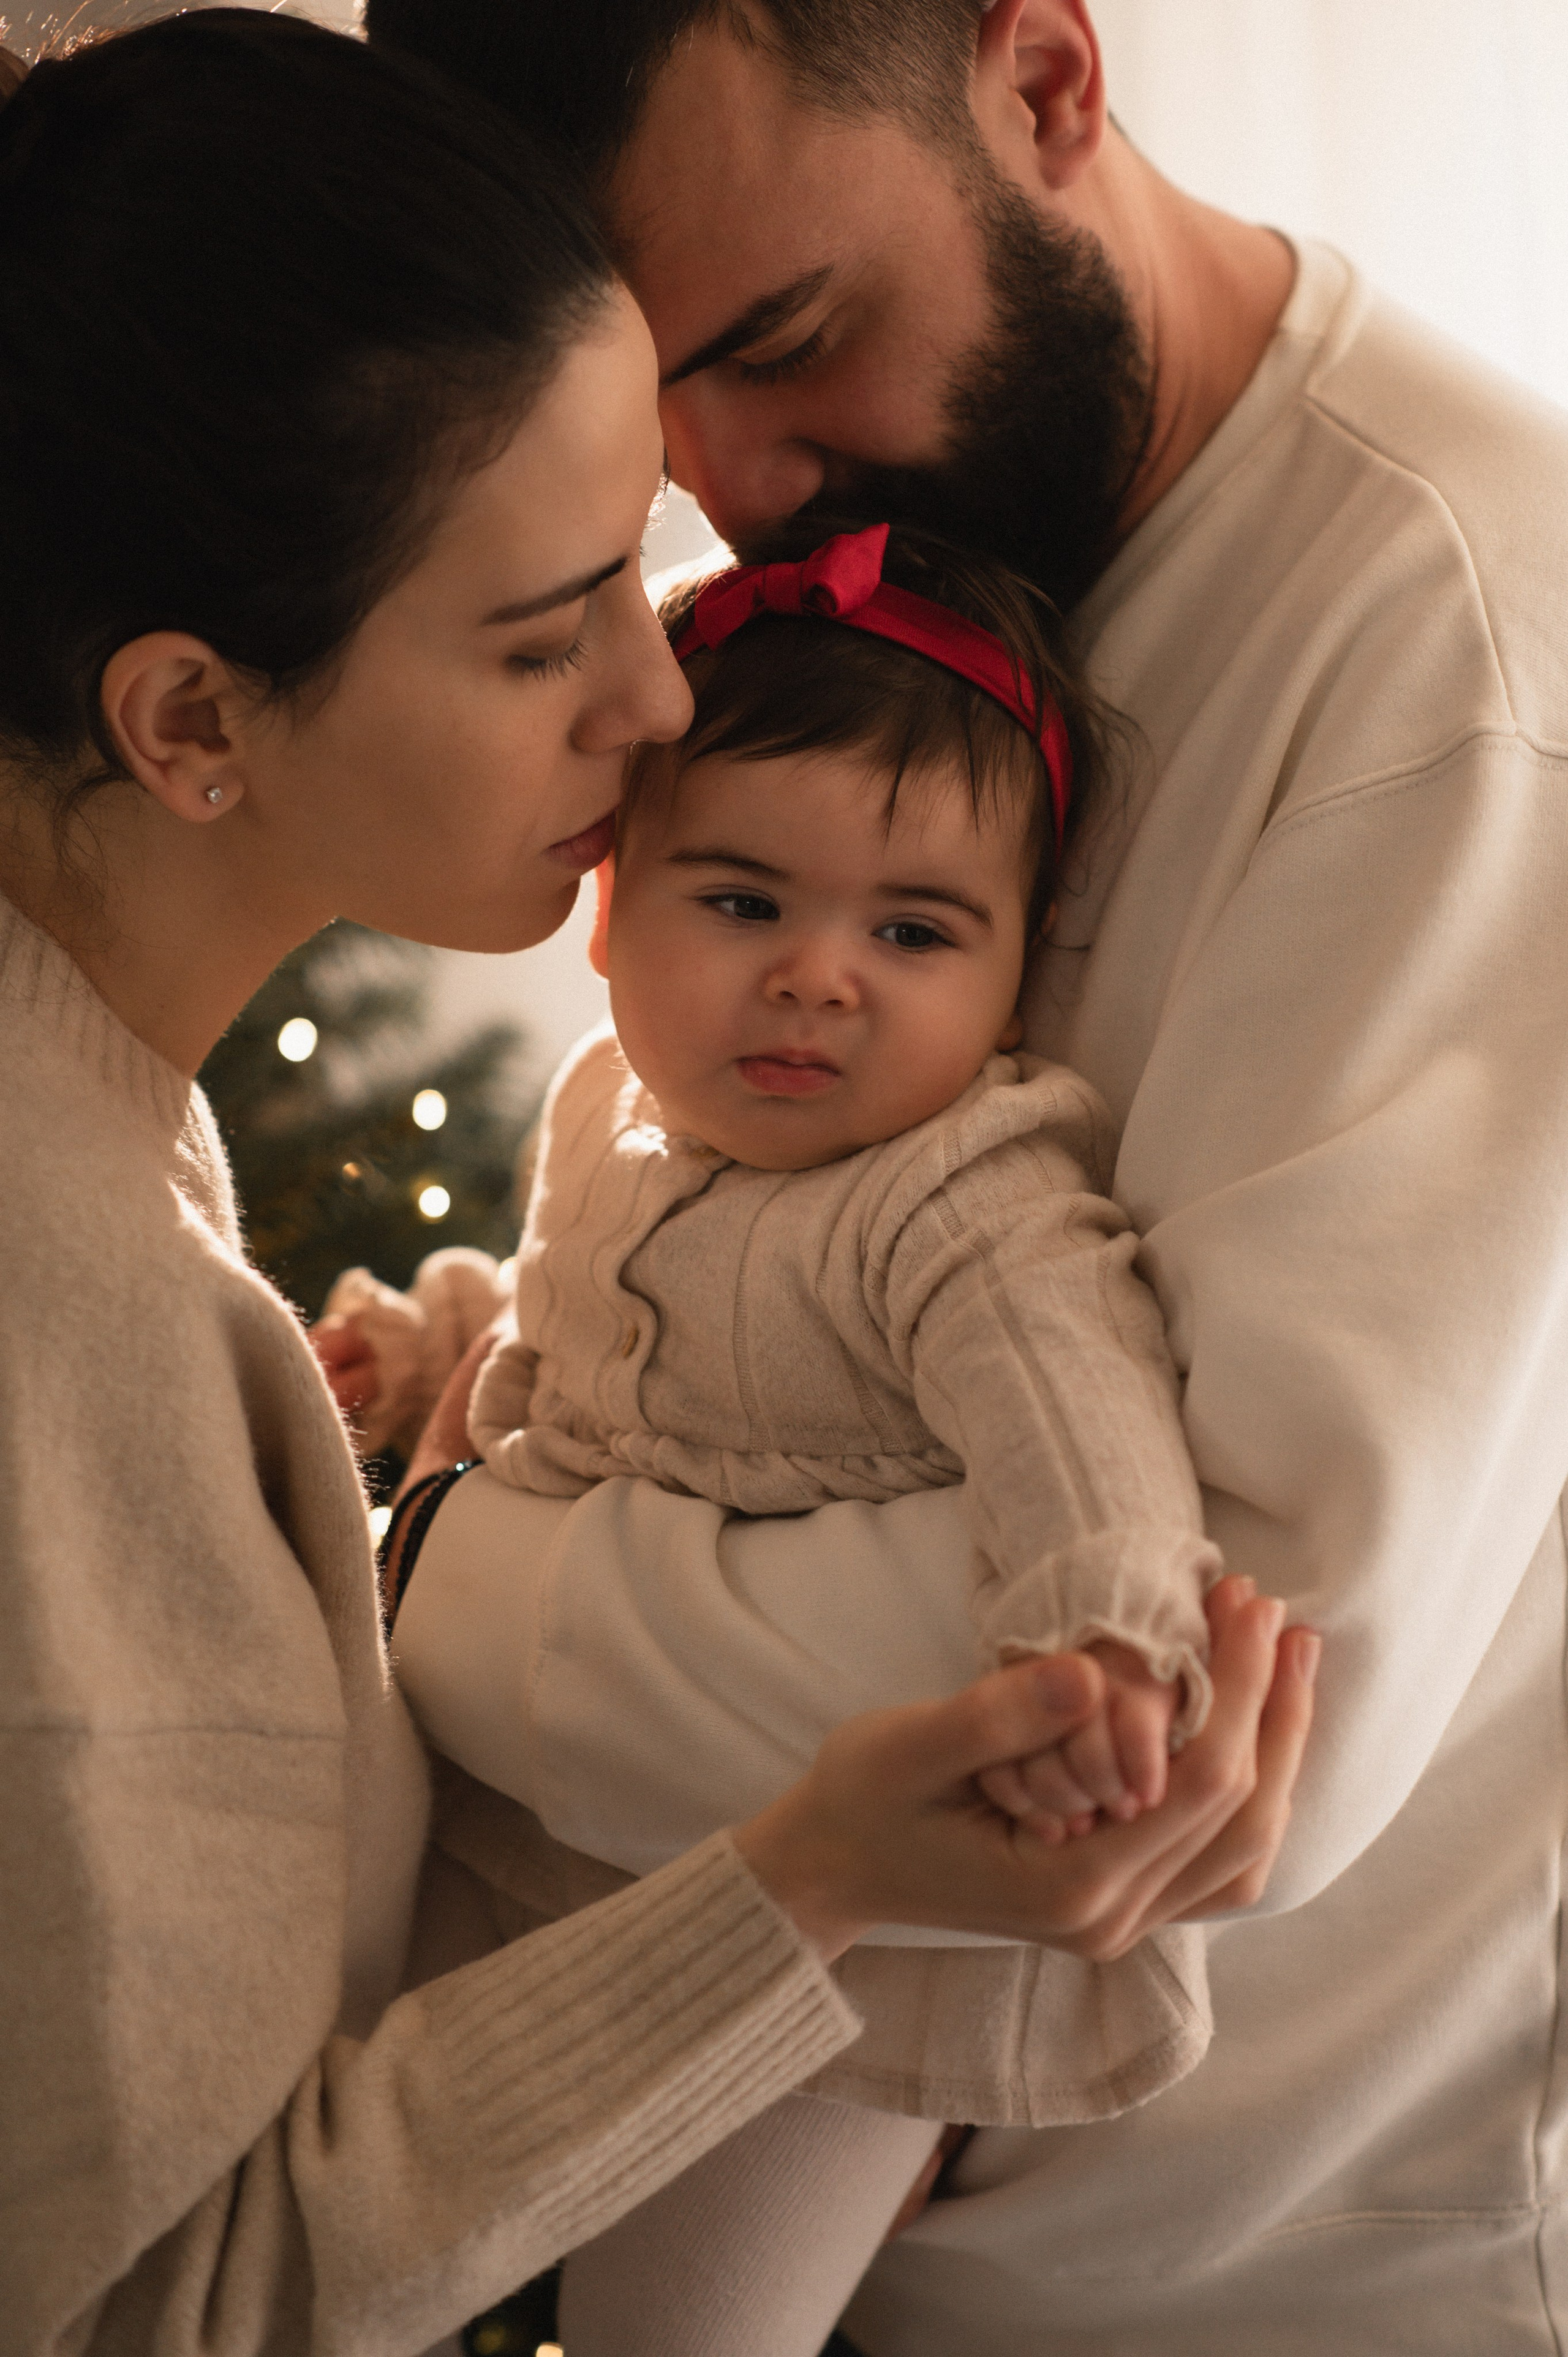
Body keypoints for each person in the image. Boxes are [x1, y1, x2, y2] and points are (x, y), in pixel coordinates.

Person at [0, 15, 1313, 2355]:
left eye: (646, 570)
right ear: (189, 723)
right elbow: (166, 2304)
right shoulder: (57, 1303)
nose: (666, 706)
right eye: (545, 632)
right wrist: (805, 1880)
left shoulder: (113, 1116)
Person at [363, 0, 1568, 2348]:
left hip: (1258, 2291)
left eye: (790, 342)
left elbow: (1208, 1723)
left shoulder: (1458, 647)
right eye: (656, 414)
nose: (731, 486)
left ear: (1041, 80)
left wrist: (448, 1576)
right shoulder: (955, 550)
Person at [460, 515, 1219, 2351]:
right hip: (563, 1850)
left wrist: (1104, 1652)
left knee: (677, 2332)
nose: (819, 976)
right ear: (611, 899)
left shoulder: (963, 1197)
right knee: (378, 2197)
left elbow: (1083, 1434)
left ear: (1021, 964)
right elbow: (549, 1318)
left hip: (859, 1982)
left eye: (912, 930)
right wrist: (433, 1349)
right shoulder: (609, 1109)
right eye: (742, 904)